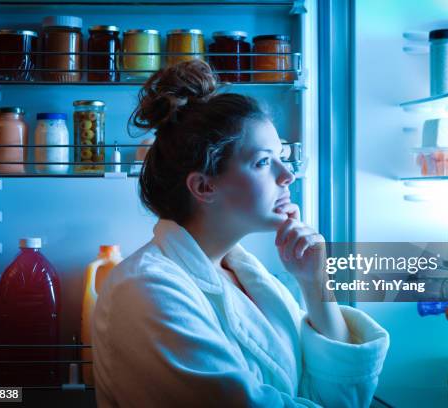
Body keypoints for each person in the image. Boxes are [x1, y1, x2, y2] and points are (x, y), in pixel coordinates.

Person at [92, 60, 389, 408]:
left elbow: (327, 395)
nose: (287, 175)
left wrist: (314, 283)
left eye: (283, 157)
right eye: (264, 162)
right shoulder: (145, 290)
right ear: (204, 186)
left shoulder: (252, 278)